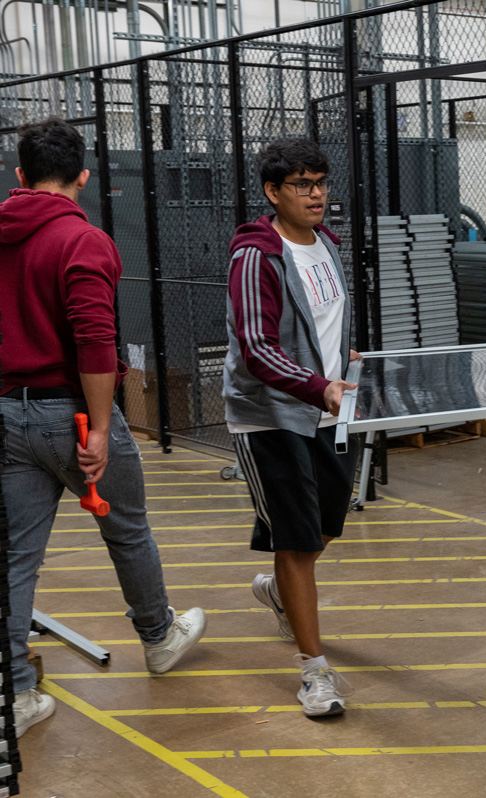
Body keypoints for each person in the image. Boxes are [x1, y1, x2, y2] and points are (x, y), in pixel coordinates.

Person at [0, 118, 207, 737]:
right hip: (74, 411)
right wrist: (93, 435)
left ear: (19, 176)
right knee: (127, 530)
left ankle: (15, 694)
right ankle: (158, 636)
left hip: (9, 412)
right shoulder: (81, 241)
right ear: (84, 177)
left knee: (15, 560)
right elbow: (95, 341)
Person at [223, 138, 360, 718]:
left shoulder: (326, 244)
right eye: (303, 185)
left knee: (328, 521)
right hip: (271, 413)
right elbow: (256, 348)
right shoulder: (257, 255)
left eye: (322, 183)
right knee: (298, 539)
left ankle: (280, 591)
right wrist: (316, 385)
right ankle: (315, 673)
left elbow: (327, 321)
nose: (317, 194)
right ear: (272, 192)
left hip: (326, 408)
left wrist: (345, 367)